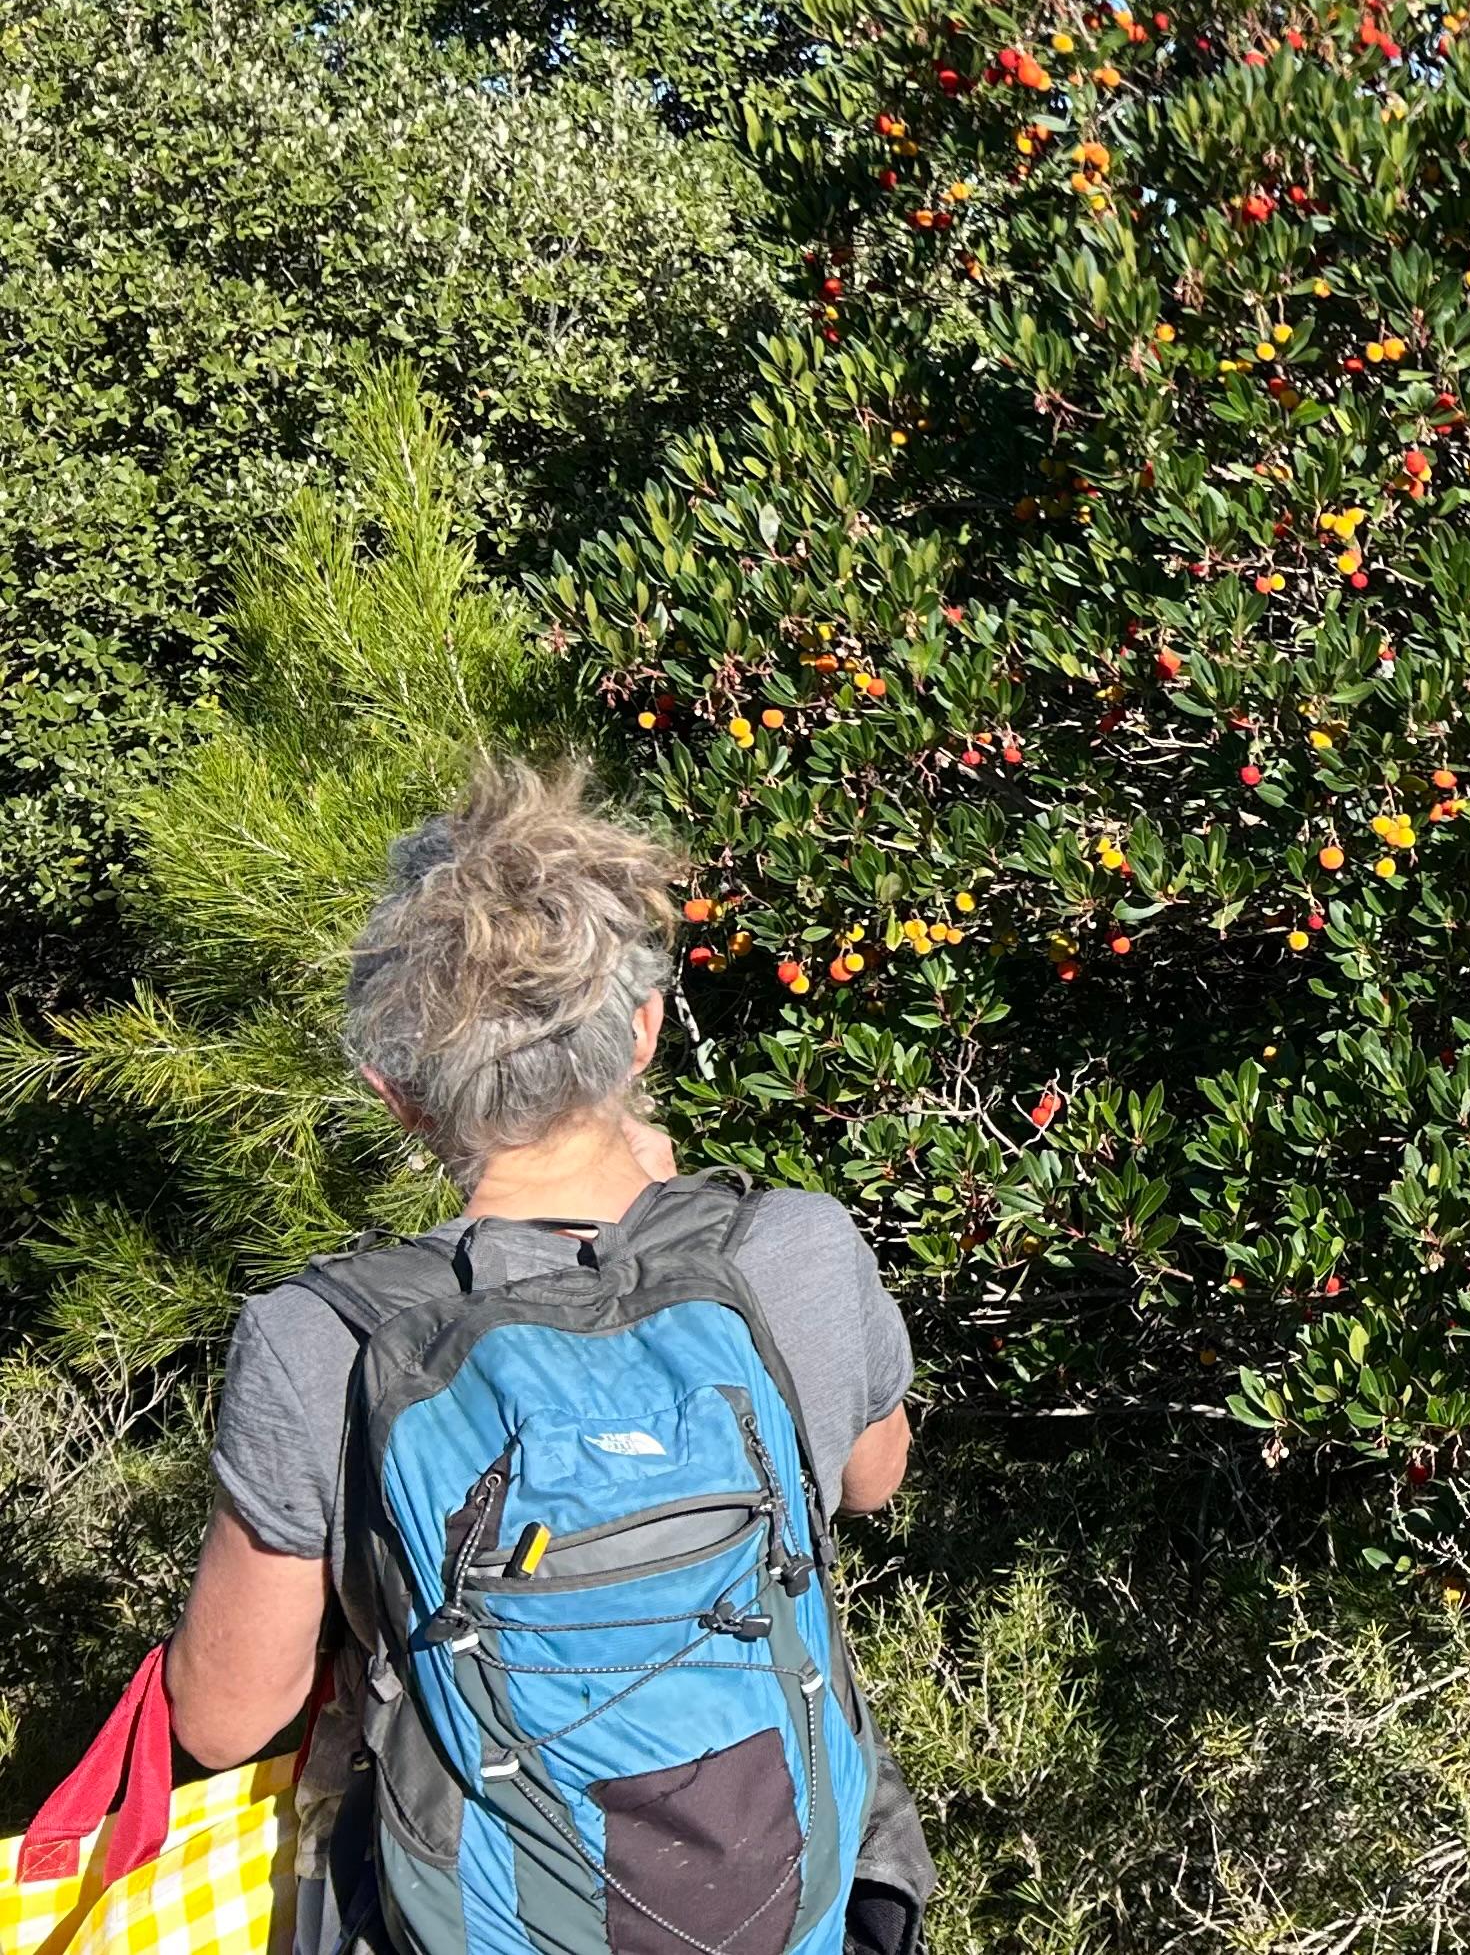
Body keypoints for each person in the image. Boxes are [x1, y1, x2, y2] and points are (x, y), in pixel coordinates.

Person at [162, 757, 927, 1952]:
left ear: (395, 1091)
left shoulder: (324, 1338)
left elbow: (223, 1720)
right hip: (782, 1899)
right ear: (643, 1031)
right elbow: (874, 1477)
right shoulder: (795, 1249)